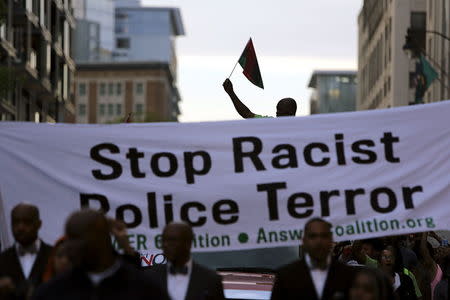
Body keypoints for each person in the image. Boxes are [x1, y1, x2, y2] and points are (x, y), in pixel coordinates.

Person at [32, 209, 168, 300]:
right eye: (70, 239)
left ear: (103, 240)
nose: (71, 248)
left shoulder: (144, 288)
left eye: (79, 239)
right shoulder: (52, 292)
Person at [270, 217, 355, 300]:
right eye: (313, 236)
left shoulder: (348, 275)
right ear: (303, 241)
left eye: (324, 236)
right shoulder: (284, 277)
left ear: (331, 239)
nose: (319, 241)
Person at [146, 222, 225, 300]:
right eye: (163, 240)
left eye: (172, 240)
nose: (166, 245)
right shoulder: (151, 277)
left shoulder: (211, 279)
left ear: (188, 243)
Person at [0, 203, 53, 300]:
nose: (20, 227)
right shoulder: (2, 259)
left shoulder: (54, 256)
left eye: (27, 222)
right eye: (15, 222)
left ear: (39, 224)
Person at [222, 78, 297, 118]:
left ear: (291, 114)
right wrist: (231, 93)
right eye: (277, 112)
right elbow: (247, 114)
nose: (277, 115)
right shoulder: (270, 123)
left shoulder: (301, 127)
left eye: (281, 113)